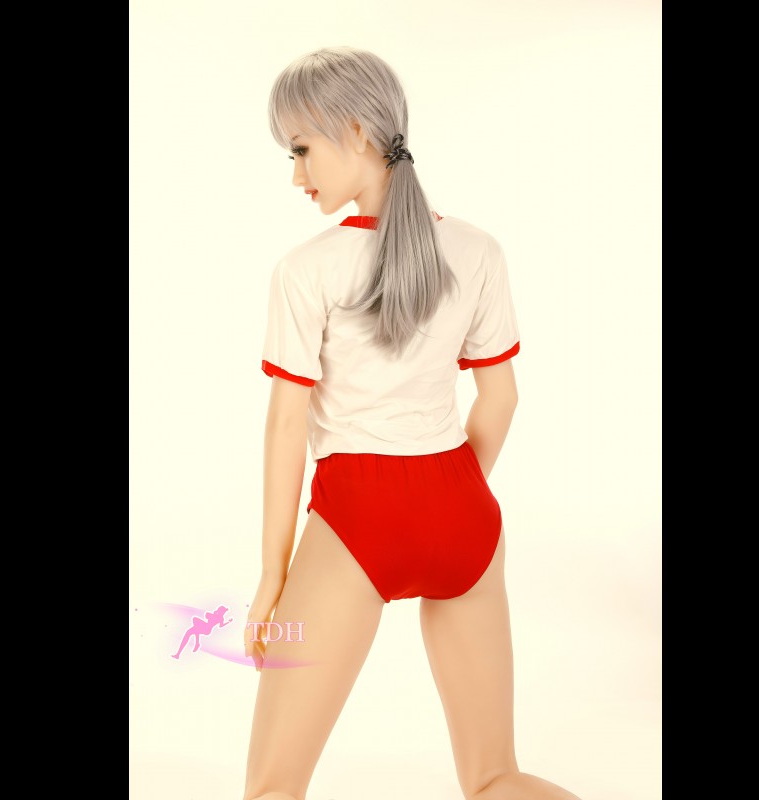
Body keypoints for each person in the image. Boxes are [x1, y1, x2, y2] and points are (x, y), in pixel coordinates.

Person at [242, 46, 582, 800]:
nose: (296, 176)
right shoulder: (477, 249)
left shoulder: (307, 269)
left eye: (300, 150)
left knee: (273, 789)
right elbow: (501, 399)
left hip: (357, 515)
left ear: (356, 131)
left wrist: (271, 579)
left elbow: (286, 428)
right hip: (463, 511)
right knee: (495, 777)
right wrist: (447, 495)